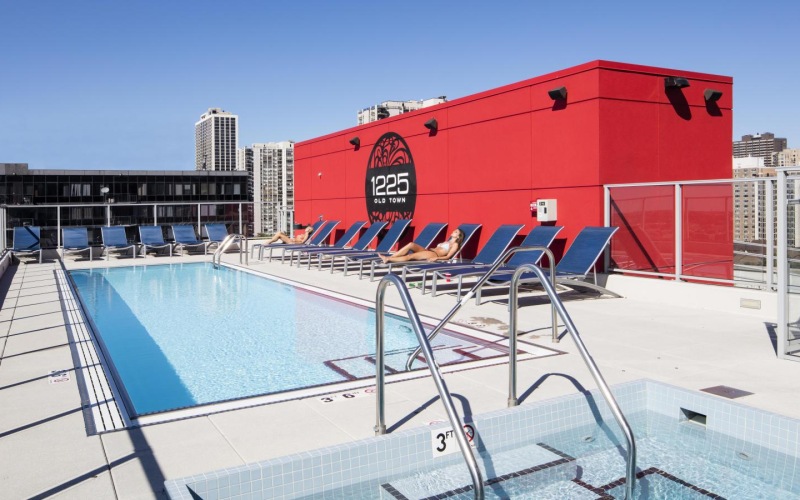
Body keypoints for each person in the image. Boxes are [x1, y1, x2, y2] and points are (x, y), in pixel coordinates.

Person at [380, 229, 464, 263]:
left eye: (456, 232)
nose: (453, 231)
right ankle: (391, 257)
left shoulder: (455, 244)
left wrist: (436, 258)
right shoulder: (447, 241)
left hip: (434, 254)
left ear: (458, 236)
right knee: (411, 244)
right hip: (429, 251)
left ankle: (388, 259)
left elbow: (448, 256)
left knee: (410, 256)